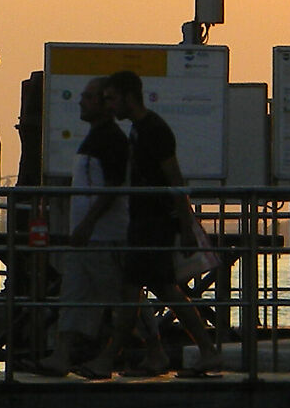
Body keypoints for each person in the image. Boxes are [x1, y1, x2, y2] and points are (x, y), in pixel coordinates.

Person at [104, 67, 222, 377]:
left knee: (151, 290)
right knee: (152, 290)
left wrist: (186, 228)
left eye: (113, 99)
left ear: (129, 97)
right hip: (142, 221)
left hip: (153, 224)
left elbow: (174, 180)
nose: (110, 105)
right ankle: (164, 353)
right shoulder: (138, 130)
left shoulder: (154, 130)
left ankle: (201, 351)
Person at [36, 78, 134, 378]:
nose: (81, 101)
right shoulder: (93, 138)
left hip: (105, 236)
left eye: (89, 97)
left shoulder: (112, 140)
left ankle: (146, 347)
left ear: (105, 103)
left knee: (117, 296)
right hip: (85, 237)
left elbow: (113, 188)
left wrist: (89, 222)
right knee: (73, 294)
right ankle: (61, 355)